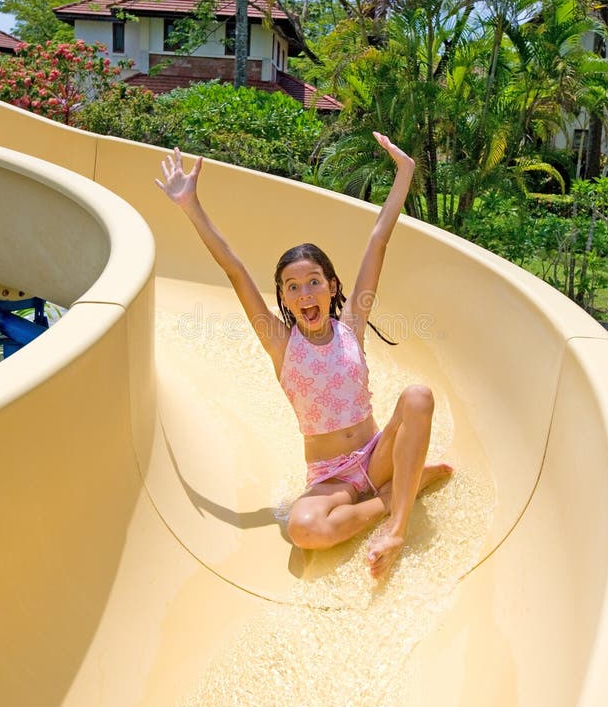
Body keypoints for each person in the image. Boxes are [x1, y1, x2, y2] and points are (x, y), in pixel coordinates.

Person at [156, 132, 452, 578]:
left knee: (418, 396)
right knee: (303, 530)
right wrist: (189, 205)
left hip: (377, 454)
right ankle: (396, 494)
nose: (304, 292)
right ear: (283, 298)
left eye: (314, 281)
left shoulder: (351, 324)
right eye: (292, 287)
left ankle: (396, 524)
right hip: (331, 479)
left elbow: (378, 240)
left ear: (332, 286)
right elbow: (233, 267)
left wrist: (405, 173)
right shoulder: (281, 342)